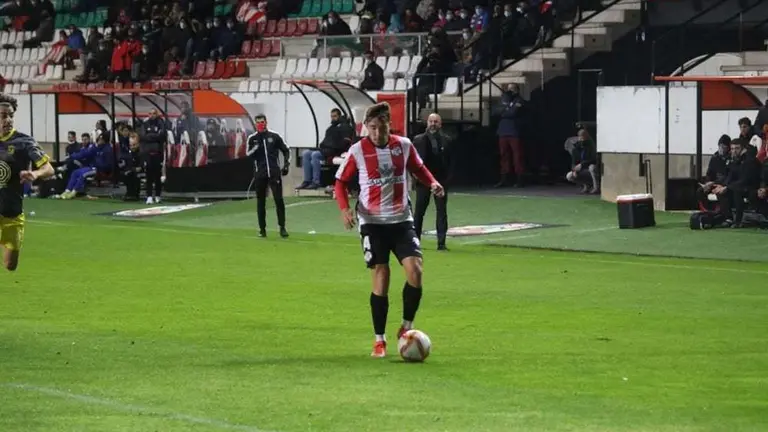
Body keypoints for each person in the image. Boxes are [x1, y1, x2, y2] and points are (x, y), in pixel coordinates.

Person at [334, 102, 444, 358]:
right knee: (381, 276)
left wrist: (433, 182)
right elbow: (340, 182)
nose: (374, 132)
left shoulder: (403, 145)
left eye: (379, 126)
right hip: (372, 223)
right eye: (370, 127)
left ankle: (406, 327)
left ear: (388, 125)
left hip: (401, 220)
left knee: (415, 271)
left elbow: (418, 168)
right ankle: (379, 340)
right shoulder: (358, 150)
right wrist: (344, 209)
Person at [0, 93, 55, 271]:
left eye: (10, 115)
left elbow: (49, 169)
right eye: (3, 115)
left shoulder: (24, 142)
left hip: (12, 211)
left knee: (10, 265)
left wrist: (35, 174)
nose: (8, 120)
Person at [412, 113, 452, 250]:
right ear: (427, 123)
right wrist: (416, 177)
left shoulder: (447, 140)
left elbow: (451, 161)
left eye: (436, 121)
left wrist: (447, 179)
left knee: (441, 211)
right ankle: (415, 242)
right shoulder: (418, 140)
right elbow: (413, 161)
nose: (433, 124)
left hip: (441, 181)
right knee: (419, 212)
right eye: (431, 121)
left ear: (440, 124)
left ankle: (441, 243)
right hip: (423, 182)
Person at [247, 114, 290, 238]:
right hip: (260, 173)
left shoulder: (274, 136)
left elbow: (286, 150)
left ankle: (282, 227)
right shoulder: (252, 138)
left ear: (266, 122)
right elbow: (248, 155)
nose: (261, 124)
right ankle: (262, 229)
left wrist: (286, 164)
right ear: (256, 124)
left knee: (278, 200)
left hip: (274, 172)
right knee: (261, 202)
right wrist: (256, 147)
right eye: (258, 122)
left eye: (263, 122)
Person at [298, 108, 354, 189]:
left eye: (335, 116)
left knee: (315, 155)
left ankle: (316, 182)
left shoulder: (345, 127)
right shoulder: (330, 128)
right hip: (326, 149)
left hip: (335, 150)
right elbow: (326, 141)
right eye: (331, 116)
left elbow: (345, 143)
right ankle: (307, 181)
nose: (333, 118)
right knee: (306, 153)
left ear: (339, 116)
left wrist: (332, 146)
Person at [713, 138, 761, 228]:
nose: (734, 151)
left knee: (736, 191)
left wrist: (728, 187)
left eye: (737, 148)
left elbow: (745, 180)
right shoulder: (734, 160)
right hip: (738, 186)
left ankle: (738, 221)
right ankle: (728, 218)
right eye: (732, 149)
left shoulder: (750, 160)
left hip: (751, 187)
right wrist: (723, 186)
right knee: (720, 191)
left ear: (743, 149)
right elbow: (730, 176)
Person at [140, 108, 166, 204]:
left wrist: (150, 135)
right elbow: (143, 136)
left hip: (158, 154)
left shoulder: (160, 123)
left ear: (157, 114)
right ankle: (149, 196)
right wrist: (154, 136)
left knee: (157, 176)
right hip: (147, 154)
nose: (152, 115)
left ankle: (158, 196)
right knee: (149, 176)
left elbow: (162, 135)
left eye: (154, 113)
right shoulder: (145, 124)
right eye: (150, 113)